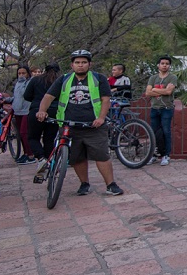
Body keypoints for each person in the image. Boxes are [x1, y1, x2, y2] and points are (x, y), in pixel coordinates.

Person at [37, 50, 123, 196]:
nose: (80, 65)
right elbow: (48, 96)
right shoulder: (64, 79)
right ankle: (84, 183)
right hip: (69, 126)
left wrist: (101, 118)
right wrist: (42, 110)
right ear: (72, 65)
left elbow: (105, 100)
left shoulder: (98, 78)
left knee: (101, 155)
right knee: (77, 157)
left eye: (84, 62)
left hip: (93, 126)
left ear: (89, 64)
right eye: (77, 62)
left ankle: (110, 184)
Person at [25, 62, 61, 178]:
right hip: (54, 112)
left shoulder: (36, 80)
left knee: (33, 137)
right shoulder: (60, 81)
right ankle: (50, 162)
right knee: (49, 139)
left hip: (36, 110)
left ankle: (41, 158)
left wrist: (36, 100)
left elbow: (26, 95)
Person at [146, 56, 178, 166]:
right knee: (153, 132)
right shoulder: (153, 78)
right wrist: (160, 91)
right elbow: (148, 92)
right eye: (162, 63)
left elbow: (169, 92)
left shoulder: (172, 77)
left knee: (166, 131)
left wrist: (154, 90)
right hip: (154, 108)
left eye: (167, 63)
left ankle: (166, 155)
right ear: (158, 65)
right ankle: (154, 155)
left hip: (167, 108)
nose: (165, 65)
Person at [10, 65, 35, 164]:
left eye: (23, 73)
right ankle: (25, 153)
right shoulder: (17, 84)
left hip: (27, 110)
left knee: (25, 133)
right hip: (17, 111)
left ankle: (31, 155)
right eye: (19, 73)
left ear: (28, 73)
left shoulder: (31, 82)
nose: (21, 75)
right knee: (20, 134)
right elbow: (17, 97)